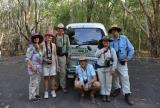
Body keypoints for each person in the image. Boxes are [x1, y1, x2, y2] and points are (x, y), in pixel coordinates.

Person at [109, 25, 135, 105]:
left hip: (122, 62)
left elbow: (131, 49)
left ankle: (127, 94)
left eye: (115, 30)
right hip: (113, 63)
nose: (114, 32)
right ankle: (117, 89)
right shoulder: (110, 41)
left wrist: (128, 58)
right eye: (113, 31)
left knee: (125, 77)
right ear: (111, 32)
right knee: (114, 77)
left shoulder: (124, 38)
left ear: (118, 31)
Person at [95, 36, 117, 102]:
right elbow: (96, 55)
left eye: (107, 41)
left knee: (108, 82)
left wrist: (113, 69)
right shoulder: (99, 49)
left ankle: (108, 94)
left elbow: (115, 60)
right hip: (100, 68)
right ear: (102, 42)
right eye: (104, 41)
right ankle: (103, 95)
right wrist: (102, 50)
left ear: (109, 42)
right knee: (102, 82)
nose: (106, 42)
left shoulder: (112, 50)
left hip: (109, 68)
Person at [25, 33, 43, 102]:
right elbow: (27, 59)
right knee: (33, 82)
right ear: (33, 39)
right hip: (33, 68)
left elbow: (40, 57)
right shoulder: (31, 47)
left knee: (37, 81)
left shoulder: (39, 46)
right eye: (35, 38)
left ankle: (36, 94)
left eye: (37, 38)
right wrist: (32, 67)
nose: (36, 39)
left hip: (38, 68)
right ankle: (32, 96)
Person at [42, 32, 59, 99]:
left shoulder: (54, 45)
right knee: (46, 78)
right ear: (45, 37)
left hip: (53, 63)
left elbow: (55, 55)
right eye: (48, 36)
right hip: (45, 63)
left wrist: (57, 65)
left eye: (51, 36)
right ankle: (46, 91)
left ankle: (52, 90)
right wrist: (45, 60)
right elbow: (40, 55)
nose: (49, 37)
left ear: (52, 38)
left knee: (53, 77)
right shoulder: (42, 44)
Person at [55, 23, 70, 93]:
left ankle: (63, 86)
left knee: (63, 72)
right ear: (57, 30)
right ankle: (57, 86)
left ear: (63, 30)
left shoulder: (66, 37)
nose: (60, 31)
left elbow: (68, 47)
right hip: (56, 56)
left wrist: (68, 57)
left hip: (63, 56)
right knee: (56, 72)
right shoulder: (54, 37)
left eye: (62, 29)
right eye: (59, 29)